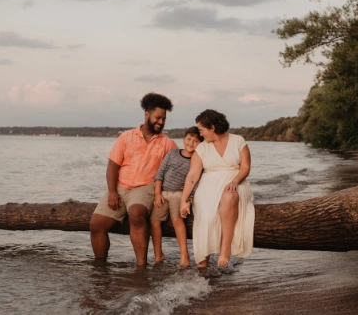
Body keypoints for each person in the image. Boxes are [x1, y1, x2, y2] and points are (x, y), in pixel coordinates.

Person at [89, 92, 178, 267]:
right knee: (96, 224)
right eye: (157, 117)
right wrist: (113, 192)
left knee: (136, 214)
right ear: (147, 114)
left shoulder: (168, 144)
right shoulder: (126, 137)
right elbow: (112, 166)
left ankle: (141, 268)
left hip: (146, 187)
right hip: (120, 187)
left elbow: (181, 165)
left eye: (164, 119)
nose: (161, 122)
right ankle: (100, 268)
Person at [180, 109, 255, 268]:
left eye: (202, 130)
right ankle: (202, 264)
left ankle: (225, 249)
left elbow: (245, 167)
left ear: (212, 127)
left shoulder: (238, 140)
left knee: (229, 195)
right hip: (209, 186)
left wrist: (235, 181)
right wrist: (184, 201)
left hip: (236, 181)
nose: (200, 134)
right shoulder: (202, 148)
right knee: (206, 217)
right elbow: (192, 176)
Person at [149, 126, 203, 267]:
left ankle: (184, 255)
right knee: (154, 221)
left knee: (176, 220)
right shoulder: (172, 153)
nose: (191, 143)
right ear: (183, 139)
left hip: (180, 195)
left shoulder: (197, 161)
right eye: (189, 139)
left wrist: (188, 200)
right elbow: (160, 174)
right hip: (163, 193)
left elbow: (195, 183)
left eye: (195, 141)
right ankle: (158, 254)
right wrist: (157, 193)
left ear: (201, 144)